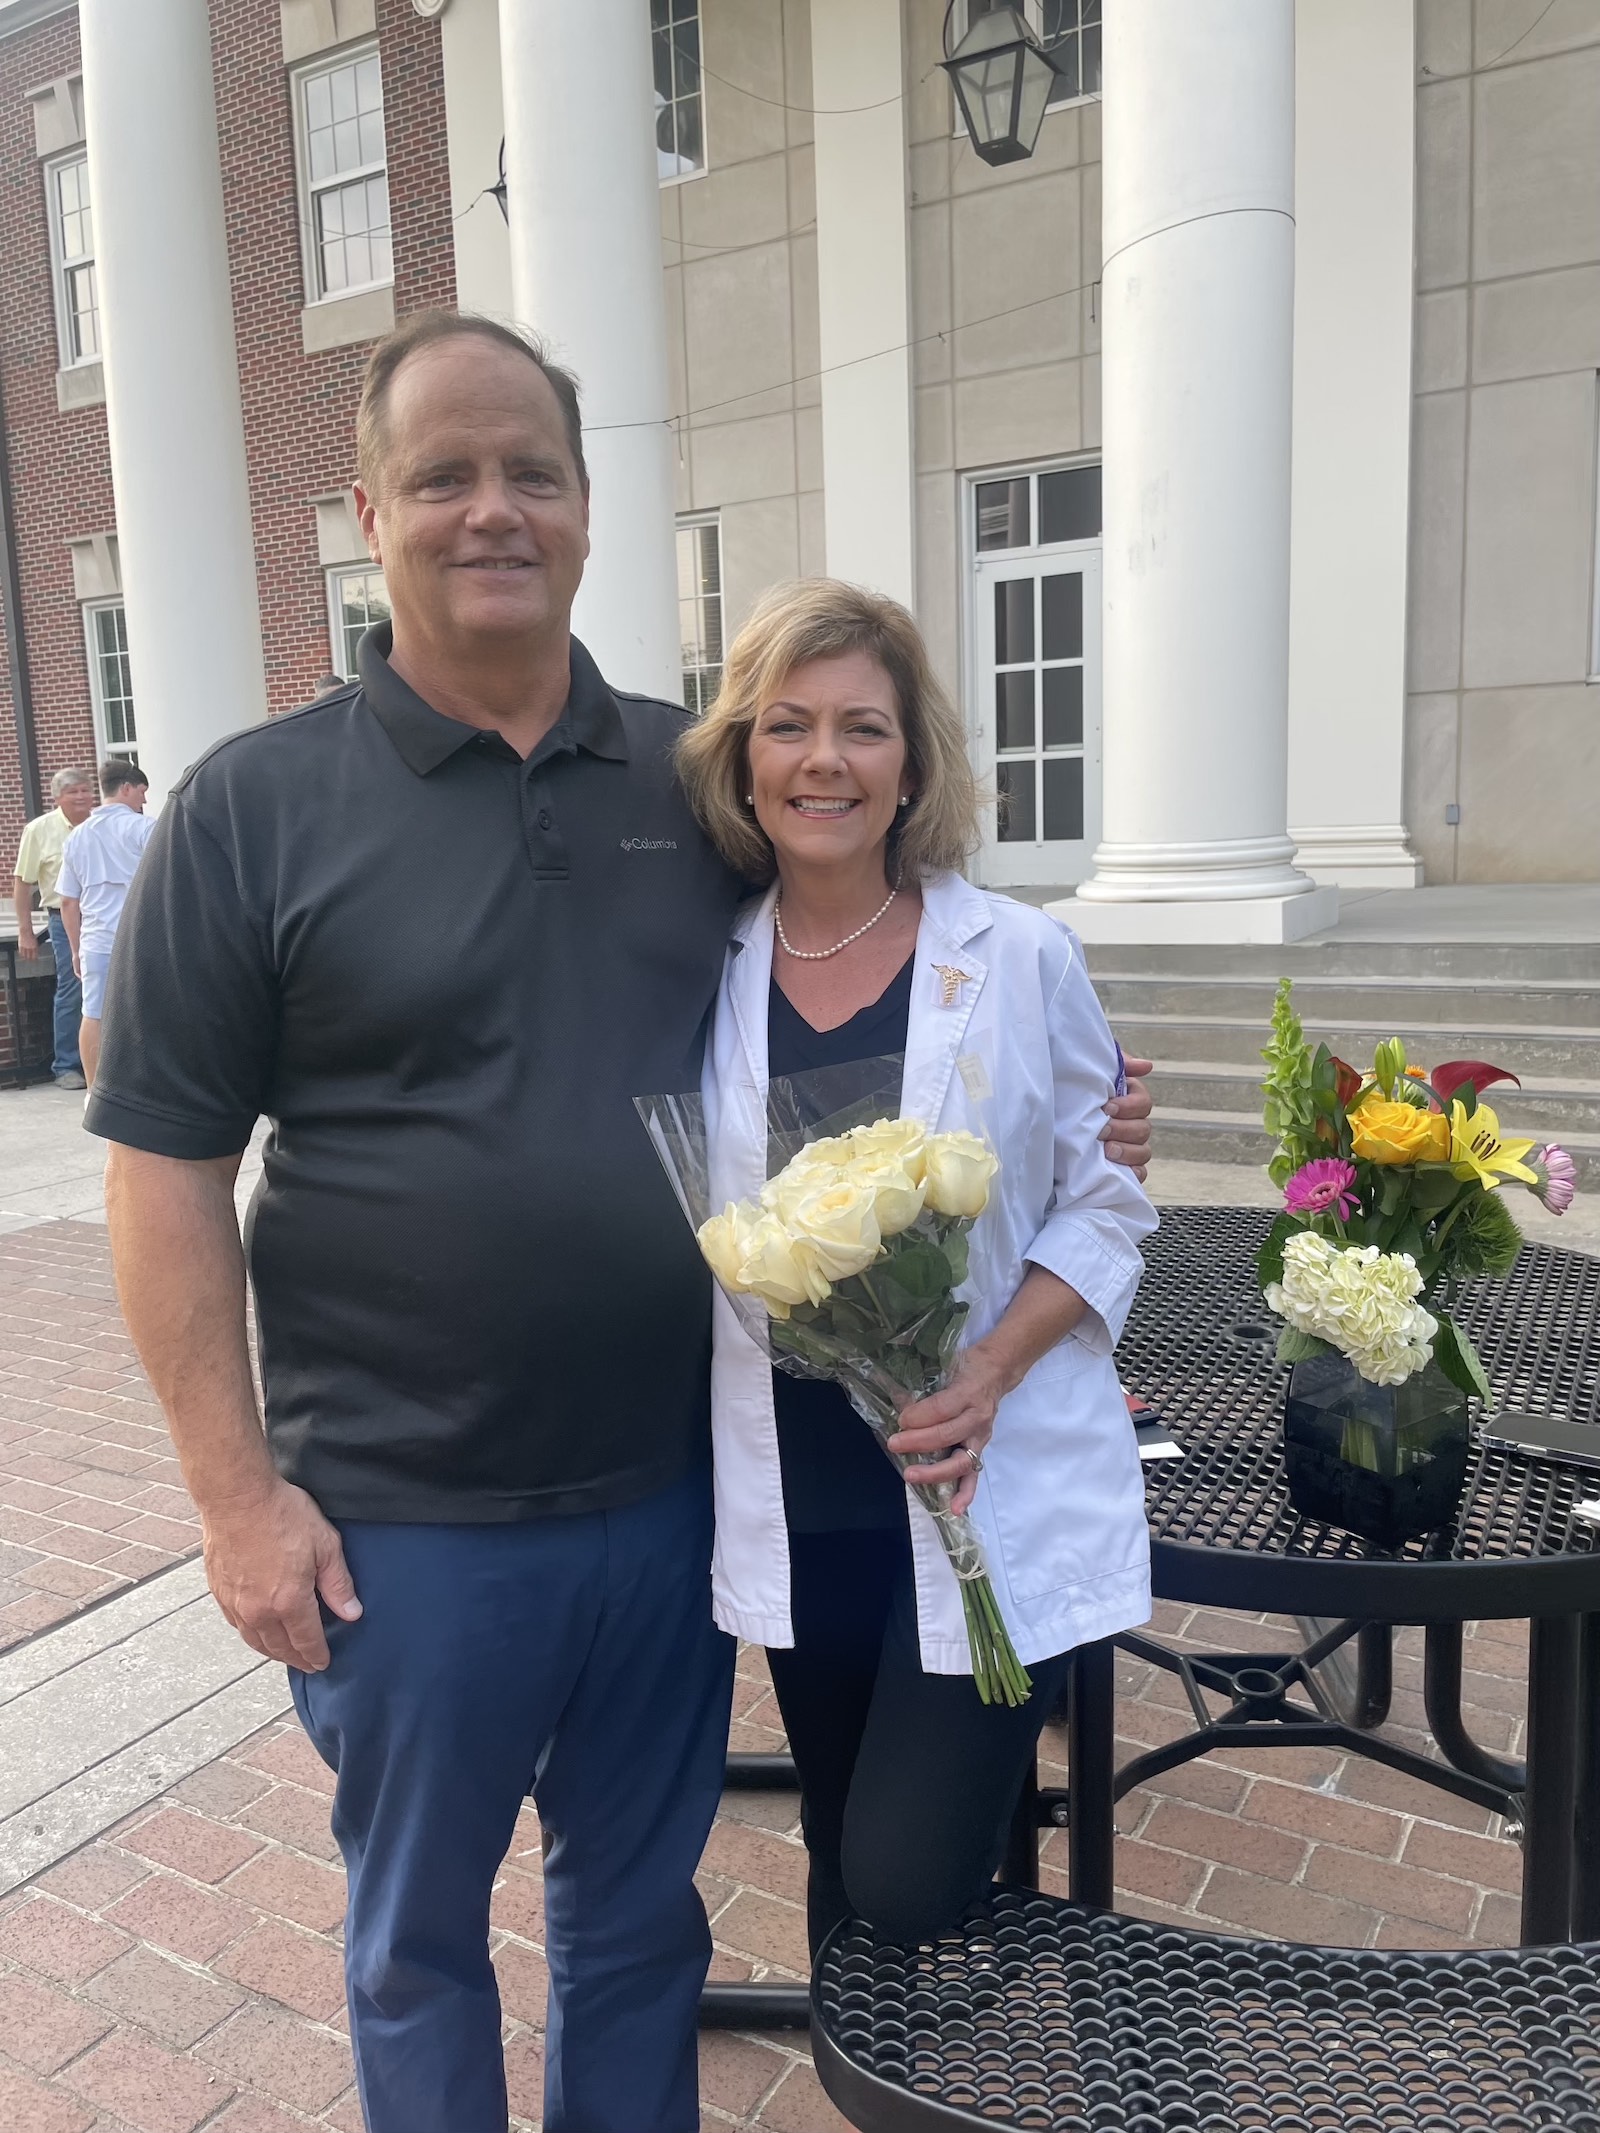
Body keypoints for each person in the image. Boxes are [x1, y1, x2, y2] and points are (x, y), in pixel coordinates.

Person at [85, 312, 1153, 2133]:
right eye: (444, 475)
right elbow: (163, 1165)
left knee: (634, 1919)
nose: (491, 508)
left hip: (672, 1500)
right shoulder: (249, 811)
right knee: (419, 1936)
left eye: (532, 473)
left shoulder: (694, 785)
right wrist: (230, 1497)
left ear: (587, 511)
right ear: (367, 510)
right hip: (401, 1522)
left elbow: (869, 936)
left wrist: (1082, 1092)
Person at [676, 578, 1158, 1956]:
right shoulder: (699, 965)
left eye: (863, 728)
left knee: (899, 1871)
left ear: (912, 764)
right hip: (801, 1480)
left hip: (972, 1471)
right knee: (844, 1832)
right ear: (745, 760)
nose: (824, 758)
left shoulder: (1017, 955)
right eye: (788, 725)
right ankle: (892, 2058)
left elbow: (1108, 1196)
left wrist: (993, 1368)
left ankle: (941, 1947)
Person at [57, 759, 154, 1088]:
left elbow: (68, 901)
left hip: (96, 939)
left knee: (93, 1013)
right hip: (140, 937)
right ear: (126, 788)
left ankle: (95, 1089)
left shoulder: (77, 837)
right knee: (148, 1012)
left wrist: (74, 950)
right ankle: (146, 1084)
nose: (143, 800)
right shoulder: (144, 828)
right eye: (141, 792)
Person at [11, 764, 96, 1088]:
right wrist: (25, 930)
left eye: (85, 790)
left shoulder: (100, 824)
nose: (81, 797)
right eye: (72, 792)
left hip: (104, 916)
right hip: (63, 920)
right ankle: (67, 1065)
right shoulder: (39, 830)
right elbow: (23, 883)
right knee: (73, 989)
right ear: (57, 797)